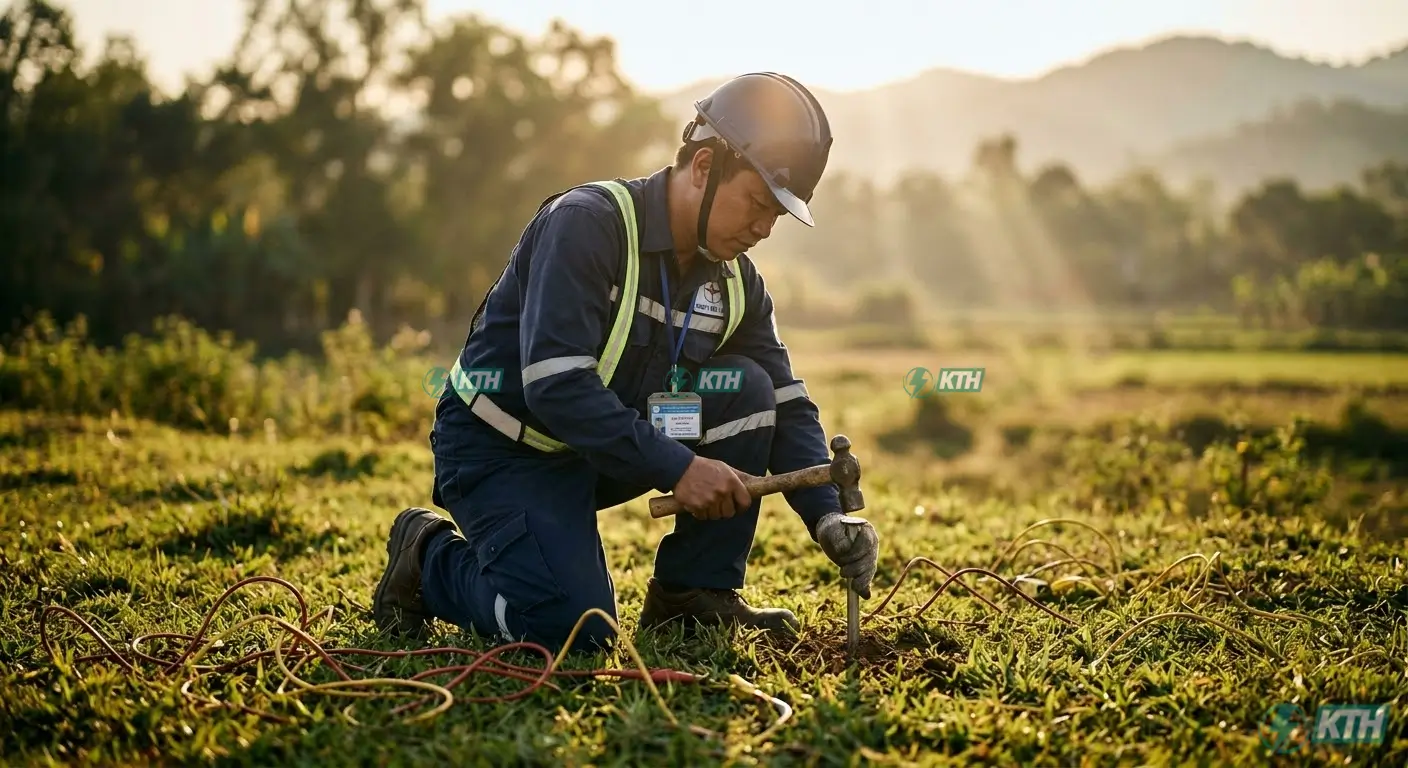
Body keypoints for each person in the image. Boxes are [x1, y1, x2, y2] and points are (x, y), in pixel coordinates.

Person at [371, 72, 881, 651]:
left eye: (779, 216)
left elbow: (787, 403)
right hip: (503, 449)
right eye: (759, 203)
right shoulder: (588, 224)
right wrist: (681, 469)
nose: (765, 228)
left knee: (747, 388)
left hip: (599, 449)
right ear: (704, 167)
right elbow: (557, 385)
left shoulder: (737, 282)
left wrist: (826, 517)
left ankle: (692, 597)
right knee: (575, 632)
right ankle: (425, 558)